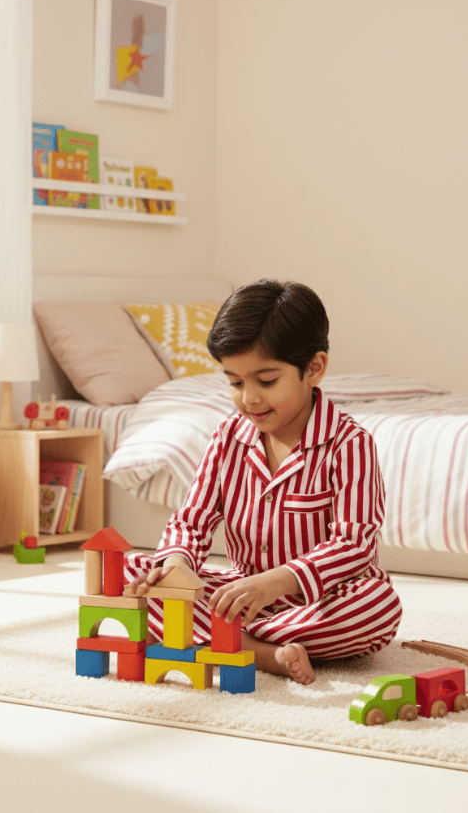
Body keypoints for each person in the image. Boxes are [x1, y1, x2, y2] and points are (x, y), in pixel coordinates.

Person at [124, 279, 402, 685]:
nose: (248, 399)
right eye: (235, 383)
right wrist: (177, 565)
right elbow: (191, 520)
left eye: (266, 381)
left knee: (378, 607)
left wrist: (277, 582)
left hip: (321, 600)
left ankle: (226, 641)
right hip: (241, 595)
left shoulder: (349, 444)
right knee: (133, 574)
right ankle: (264, 654)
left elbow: (354, 545)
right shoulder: (227, 438)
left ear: (314, 368)